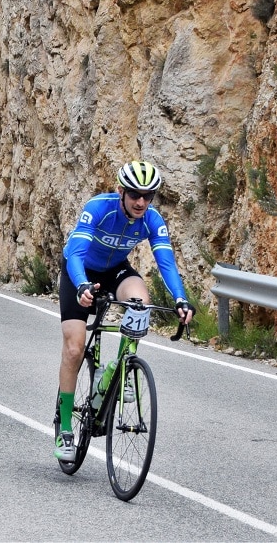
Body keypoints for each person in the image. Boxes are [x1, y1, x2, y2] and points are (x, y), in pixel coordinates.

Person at [53, 160, 195, 461]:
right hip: (78, 271)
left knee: (140, 301)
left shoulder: (152, 220)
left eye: (148, 196)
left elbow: (166, 263)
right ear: (121, 191)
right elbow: (76, 253)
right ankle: (65, 427)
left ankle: (122, 369)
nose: (141, 201)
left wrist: (181, 300)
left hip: (115, 270)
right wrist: (81, 286)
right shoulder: (99, 208)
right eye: (134, 194)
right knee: (75, 348)